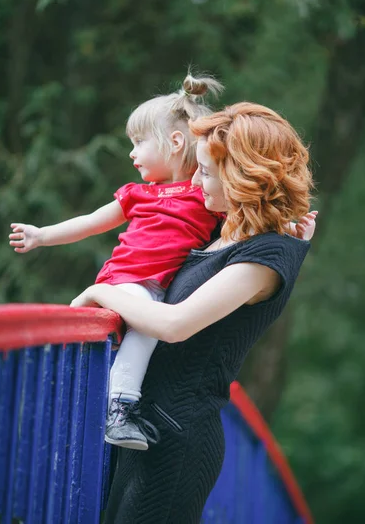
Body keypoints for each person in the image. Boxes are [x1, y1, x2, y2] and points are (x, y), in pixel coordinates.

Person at [70, 100, 316, 524]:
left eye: (204, 172)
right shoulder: (228, 234)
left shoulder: (265, 257)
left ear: (239, 175)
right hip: (143, 427)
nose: (194, 180)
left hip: (177, 440)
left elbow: (174, 324)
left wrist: (100, 291)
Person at [9, 74, 224, 450]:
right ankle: (120, 408)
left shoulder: (205, 194)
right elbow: (90, 223)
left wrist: (283, 225)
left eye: (139, 143)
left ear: (175, 143)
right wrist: (41, 235)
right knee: (148, 328)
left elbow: (242, 220)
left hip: (158, 292)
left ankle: (112, 405)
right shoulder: (137, 194)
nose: (132, 153)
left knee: (151, 326)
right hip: (125, 282)